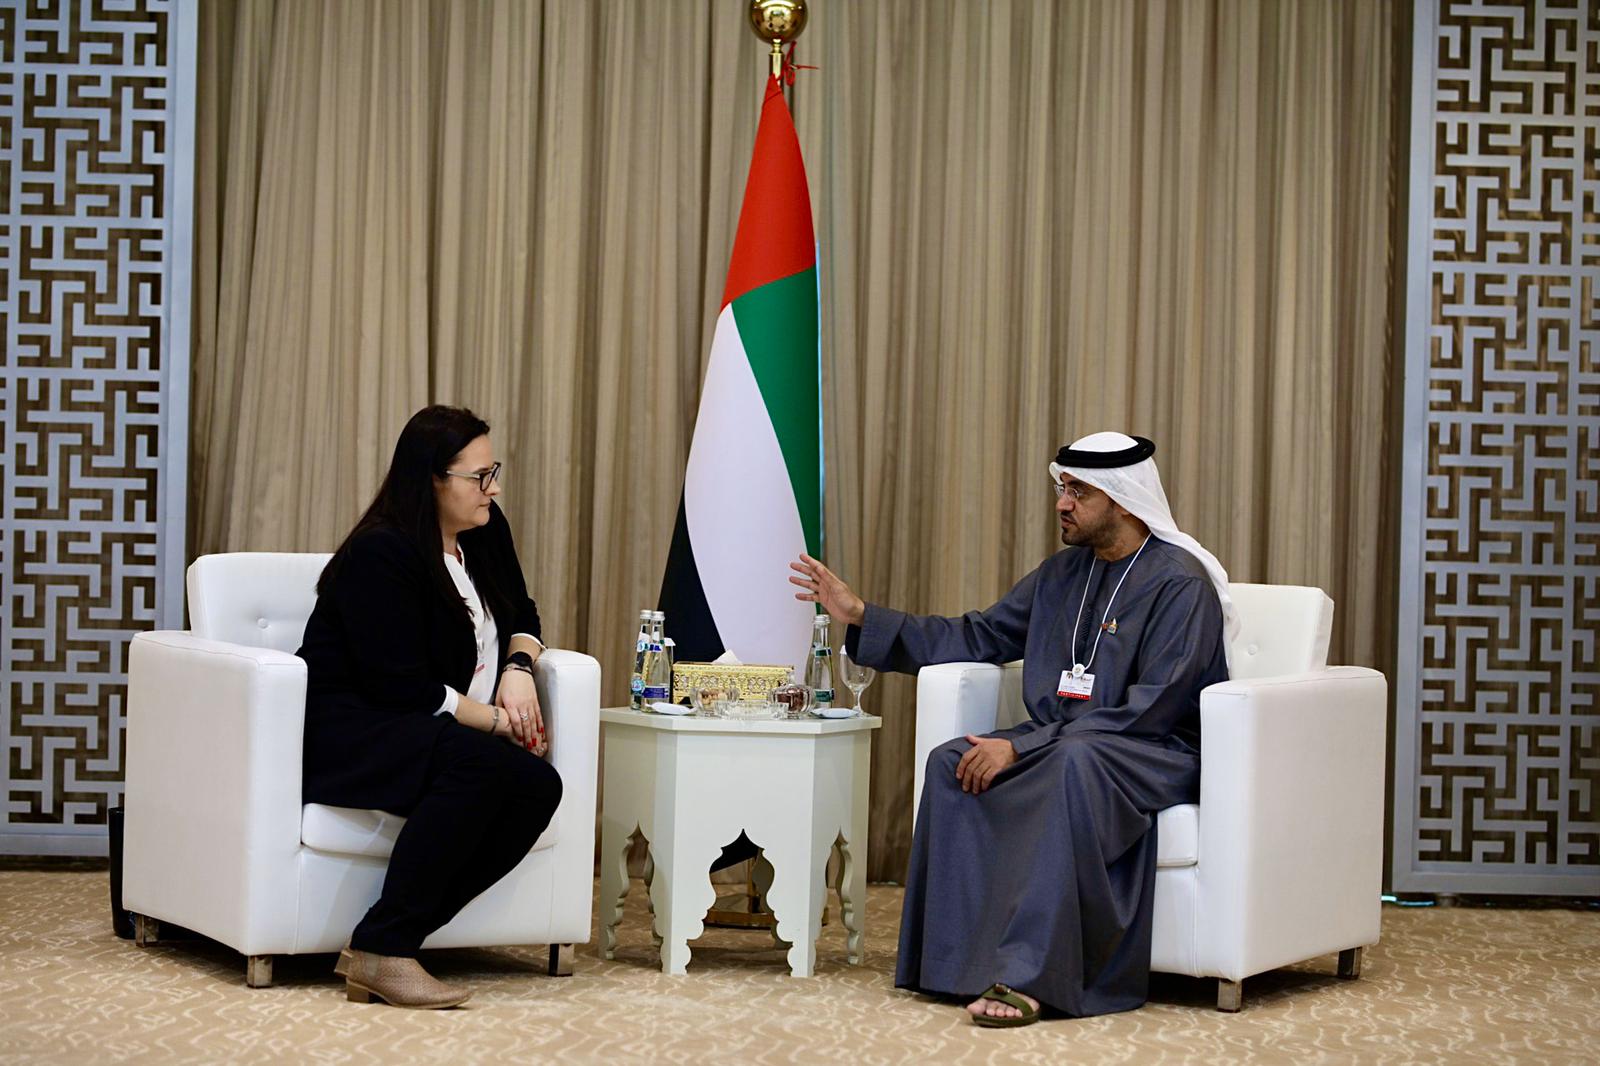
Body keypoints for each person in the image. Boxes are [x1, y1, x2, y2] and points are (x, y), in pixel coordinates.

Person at [788, 431, 1237, 1027]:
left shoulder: (1180, 584)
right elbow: (978, 634)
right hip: (1068, 741)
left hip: (1151, 750)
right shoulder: (1062, 574)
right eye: (1062, 488)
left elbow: (1151, 710)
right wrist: (864, 616)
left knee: (1073, 762)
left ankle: (1030, 979)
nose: (1062, 503)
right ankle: (950, 967)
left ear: (1125, 500)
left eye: (1079, 492)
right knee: (951, 763)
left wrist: (1021, 745)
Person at [297, 405, 563, 1009]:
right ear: (432, 479)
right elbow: (401, 687)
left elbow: (523, 611)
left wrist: (519, 670)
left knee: (537, 787)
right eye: (479, 476)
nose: (493, 489)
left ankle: (385, 939)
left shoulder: (484, 530)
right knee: (483, 767)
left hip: (427, 726)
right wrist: (497, 721)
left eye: (493, 472)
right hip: (355, 730)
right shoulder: (380, 553)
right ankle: (385, 948)